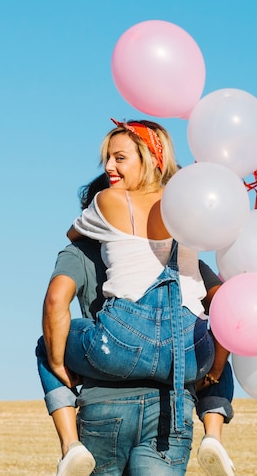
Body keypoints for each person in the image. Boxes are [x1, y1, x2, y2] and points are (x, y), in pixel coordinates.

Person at [36, 166, 236, 473]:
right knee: (206, 343)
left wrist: (58, 360)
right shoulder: (175, 252)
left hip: (103, 395)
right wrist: (217, 365)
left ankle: (69, 444)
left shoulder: (78, 252)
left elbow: (54, 301)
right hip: (171, 402)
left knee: (47, 343)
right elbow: (225, 305)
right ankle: (214, 428)